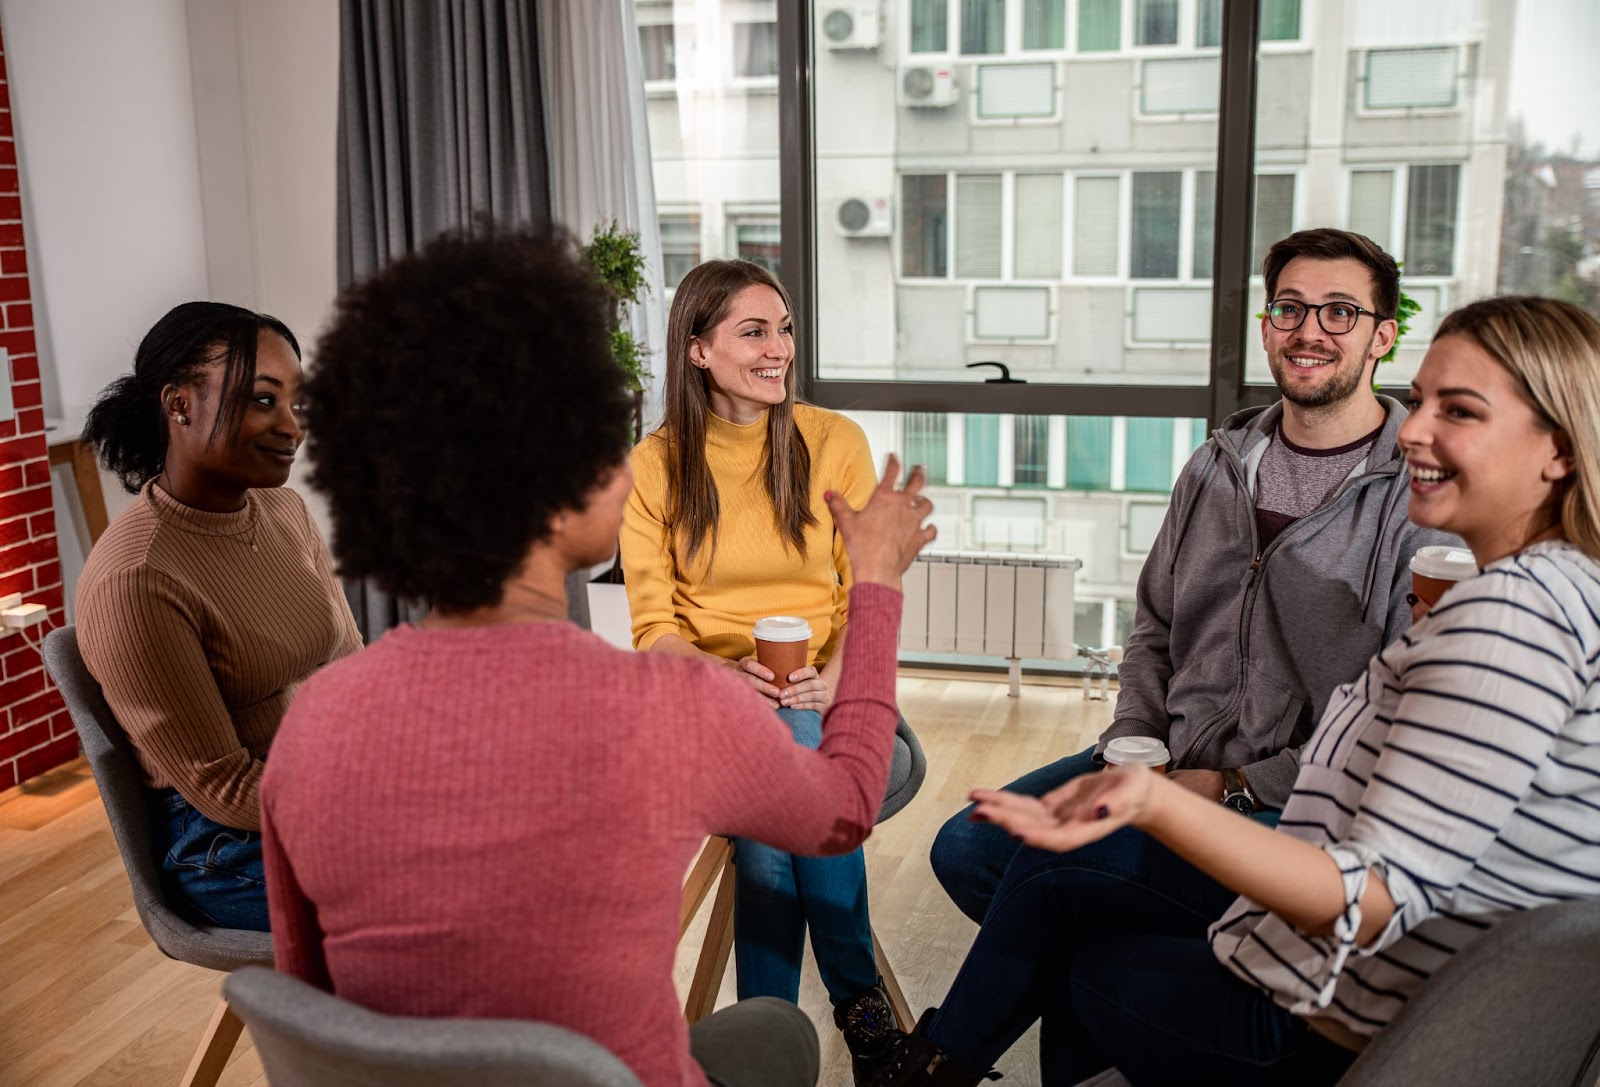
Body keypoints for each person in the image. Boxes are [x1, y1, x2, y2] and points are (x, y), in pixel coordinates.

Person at [260, 222, 937, 1087]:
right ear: (567, 495)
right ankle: (859, 1018)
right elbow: (842, 811)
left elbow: (311, 1007)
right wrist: (880, 582)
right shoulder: (665, 703)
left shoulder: (312, 721)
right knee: (774, 1034)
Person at [870, 295, 1600, 1087]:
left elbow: (1375, 895)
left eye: (1459, 411)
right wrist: (1141, 756)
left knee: (1072, 935)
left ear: (1558, 450)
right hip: (1364, 965)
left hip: (1338, 1017)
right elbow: (1153, 623)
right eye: (1419, 401)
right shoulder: (1558, 591)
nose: (1415, 429)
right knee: (1036, 882)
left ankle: (928, 1070)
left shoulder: (1506, 620)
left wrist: (1157, 802)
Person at [930, 228, 1459, 924]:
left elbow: (1396, 708)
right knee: (968, 848)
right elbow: (1154, 627)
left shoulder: (1414, 496)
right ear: (1267, 330)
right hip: (1167, 759)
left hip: (1295, 792)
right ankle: (1119, 979)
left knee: (1062, 876)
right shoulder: (1216, 466)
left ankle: (1046, 1006)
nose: (1309, 331)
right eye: (1289, 309)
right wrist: (1132, 743)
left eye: (1340, 312)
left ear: (1382, 337)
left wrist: (1238, 783)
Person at [619, 259, 900, 1082]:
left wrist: (836, 680)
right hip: (705, 701)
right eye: (754, 332)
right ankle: (862, 1013)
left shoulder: (831, 442)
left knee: (774, 816)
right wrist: (722, 679)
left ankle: (763, 1044)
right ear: (698, 348)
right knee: (791, 765)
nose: (778, 348)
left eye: (783, 330)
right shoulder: (656, 463)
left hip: (822, 691)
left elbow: (862, 598)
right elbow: (653, 629)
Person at [74, 301, 362, 932]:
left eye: (297, 403)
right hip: (226, 844)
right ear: (179, 405)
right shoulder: (138, 577)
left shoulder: (283, 513)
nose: (292, 426)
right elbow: (222, 786)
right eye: (263, 400)